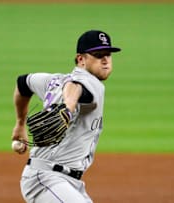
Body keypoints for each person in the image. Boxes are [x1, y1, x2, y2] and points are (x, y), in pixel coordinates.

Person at [12, 30, 121, 203]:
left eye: (108, 54)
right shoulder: (91, 83)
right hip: (46, 180)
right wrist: (68, 107)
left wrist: (20, 123)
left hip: (65, 182)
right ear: (81, 60)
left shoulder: (53, 81)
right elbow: (76, 87)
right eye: (98, 55)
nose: (105, 60)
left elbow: (23, 83)